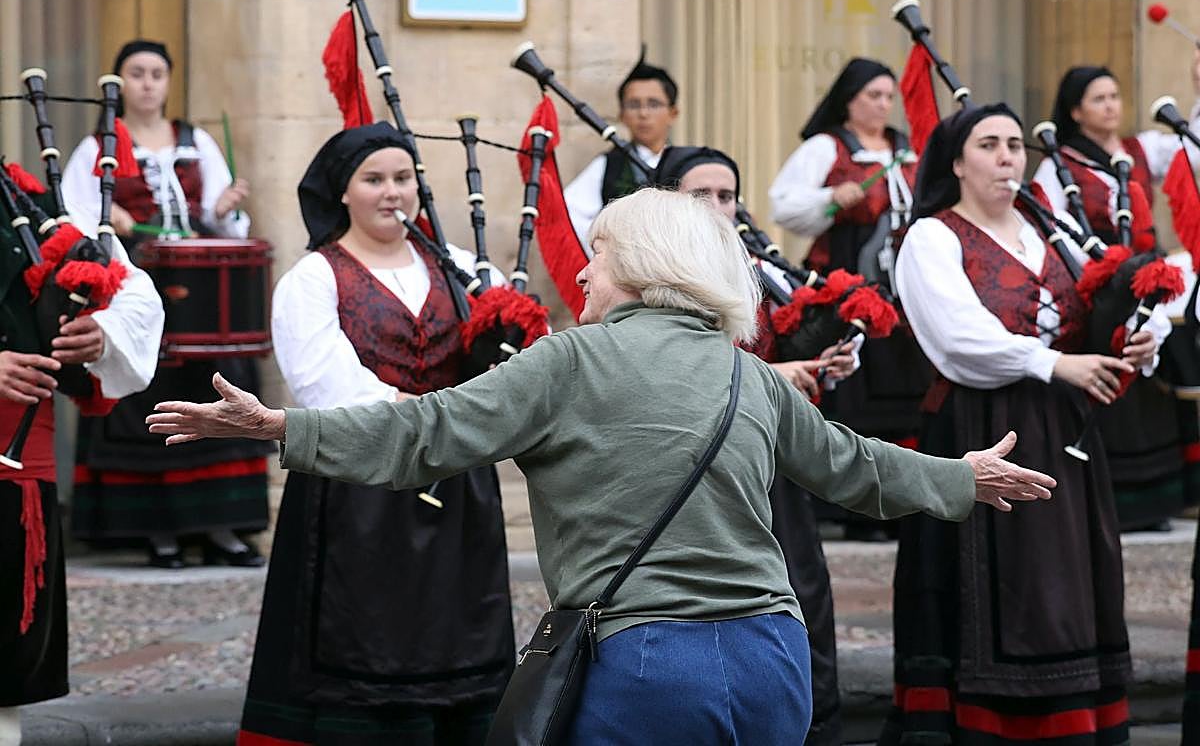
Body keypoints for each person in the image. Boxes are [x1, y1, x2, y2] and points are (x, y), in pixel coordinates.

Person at [148, 187, 1057, 746]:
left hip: (646, 665)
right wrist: (961, 477)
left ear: (641, 267)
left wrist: (280, 429)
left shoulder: (565, 362)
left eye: (597, 261)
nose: (579, 280)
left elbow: (421, 434)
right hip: (779, 659)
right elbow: (854, 469)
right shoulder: (746, 371)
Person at [882, 104, 1159, 745]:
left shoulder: (1048, 222)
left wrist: (1133, 339)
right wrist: (1053, 362)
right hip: (981, 424)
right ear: (956, 162)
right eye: (989, 144)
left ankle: (1075, 722)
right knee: (1004, 588)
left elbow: (1098, 300)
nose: (1008, 156)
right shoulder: (932, 236)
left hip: (1064, 425)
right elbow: (956, 337)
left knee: (1069, 579)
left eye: (1014, 143)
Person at [234, 122, 513, 746]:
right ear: (343, 192)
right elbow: (323, 387)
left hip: (458, 492)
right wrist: (437, 423)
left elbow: (506, 380)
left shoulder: (462, 270)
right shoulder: (314, 278)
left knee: (458, 632)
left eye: (403, 178)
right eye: (374, 179)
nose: (393, 192)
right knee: (365, 645)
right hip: (357, 491)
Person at [656, 143, 856, 746]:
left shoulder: (759, 269)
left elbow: (779, 351)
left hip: (774, 469)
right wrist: (777, 377)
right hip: (696, 475)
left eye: (727, 195)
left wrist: (820, 364)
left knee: (800, 593)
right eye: (701, 196)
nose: (719, 207)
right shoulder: (655, 279)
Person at [59, 39, 273, 568]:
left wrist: (224, 209)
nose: (148, 83)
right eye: (137, 73)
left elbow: (224, 220)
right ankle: (160, 532)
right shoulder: (99, 146)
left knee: (216, 382)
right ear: (120, 83)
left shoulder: (196, 140)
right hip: (136, 284)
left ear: (169, 81)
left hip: (200, 292)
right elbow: (74, 219)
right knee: (147, 389)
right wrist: (110, 223)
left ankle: (222, 528)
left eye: (157, 73)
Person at [0, 168, 164, 743]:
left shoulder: (26, 202)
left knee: (4, 668)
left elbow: (133, 293)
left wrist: (101, 331)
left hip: (13, 469)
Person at [1032, 55, 1200, 530]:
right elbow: (1054, 231)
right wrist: (1110, 277)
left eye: (1114, 96)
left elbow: (1194, 149)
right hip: (1100, 290)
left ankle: (1156, 503)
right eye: (1098, 99)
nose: (1110, 106)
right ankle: (1116, 505)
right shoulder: (1058, 166)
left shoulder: (1142, 149)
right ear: (1076, 111)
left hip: (1151, 281)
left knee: (1152, 385)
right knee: (1113, 386)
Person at [768, 57, 931, 540]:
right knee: (854, 386)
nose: (882, 105)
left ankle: (902, 499)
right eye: (872, 96)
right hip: (847, 283)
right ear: (849, 100)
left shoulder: (905, 149)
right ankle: (854, 507)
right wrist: (831, 198)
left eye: (887, 96)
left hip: (905, 291)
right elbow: (783, 203)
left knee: (907, 388)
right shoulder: (829, 147)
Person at [563, 47, 678, 250]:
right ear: (622, 114)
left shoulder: (688, 165)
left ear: (673, 112)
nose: (643, 113)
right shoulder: (608, 166)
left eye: (653, 104)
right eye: (634, 105)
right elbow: (568, 215)